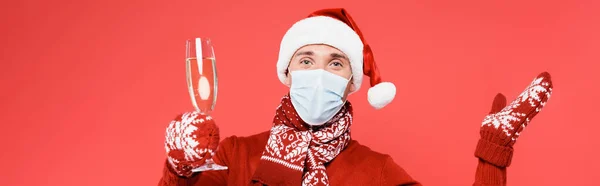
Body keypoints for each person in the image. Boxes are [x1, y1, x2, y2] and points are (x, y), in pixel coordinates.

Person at [158, 8, 553, 186]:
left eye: (334, 64)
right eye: (306, 60)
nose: (317, 74)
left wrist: (492, 157)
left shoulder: (377, 171)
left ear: (351, 84)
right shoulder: (235, 157)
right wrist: (178, 169)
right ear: (287, 73)